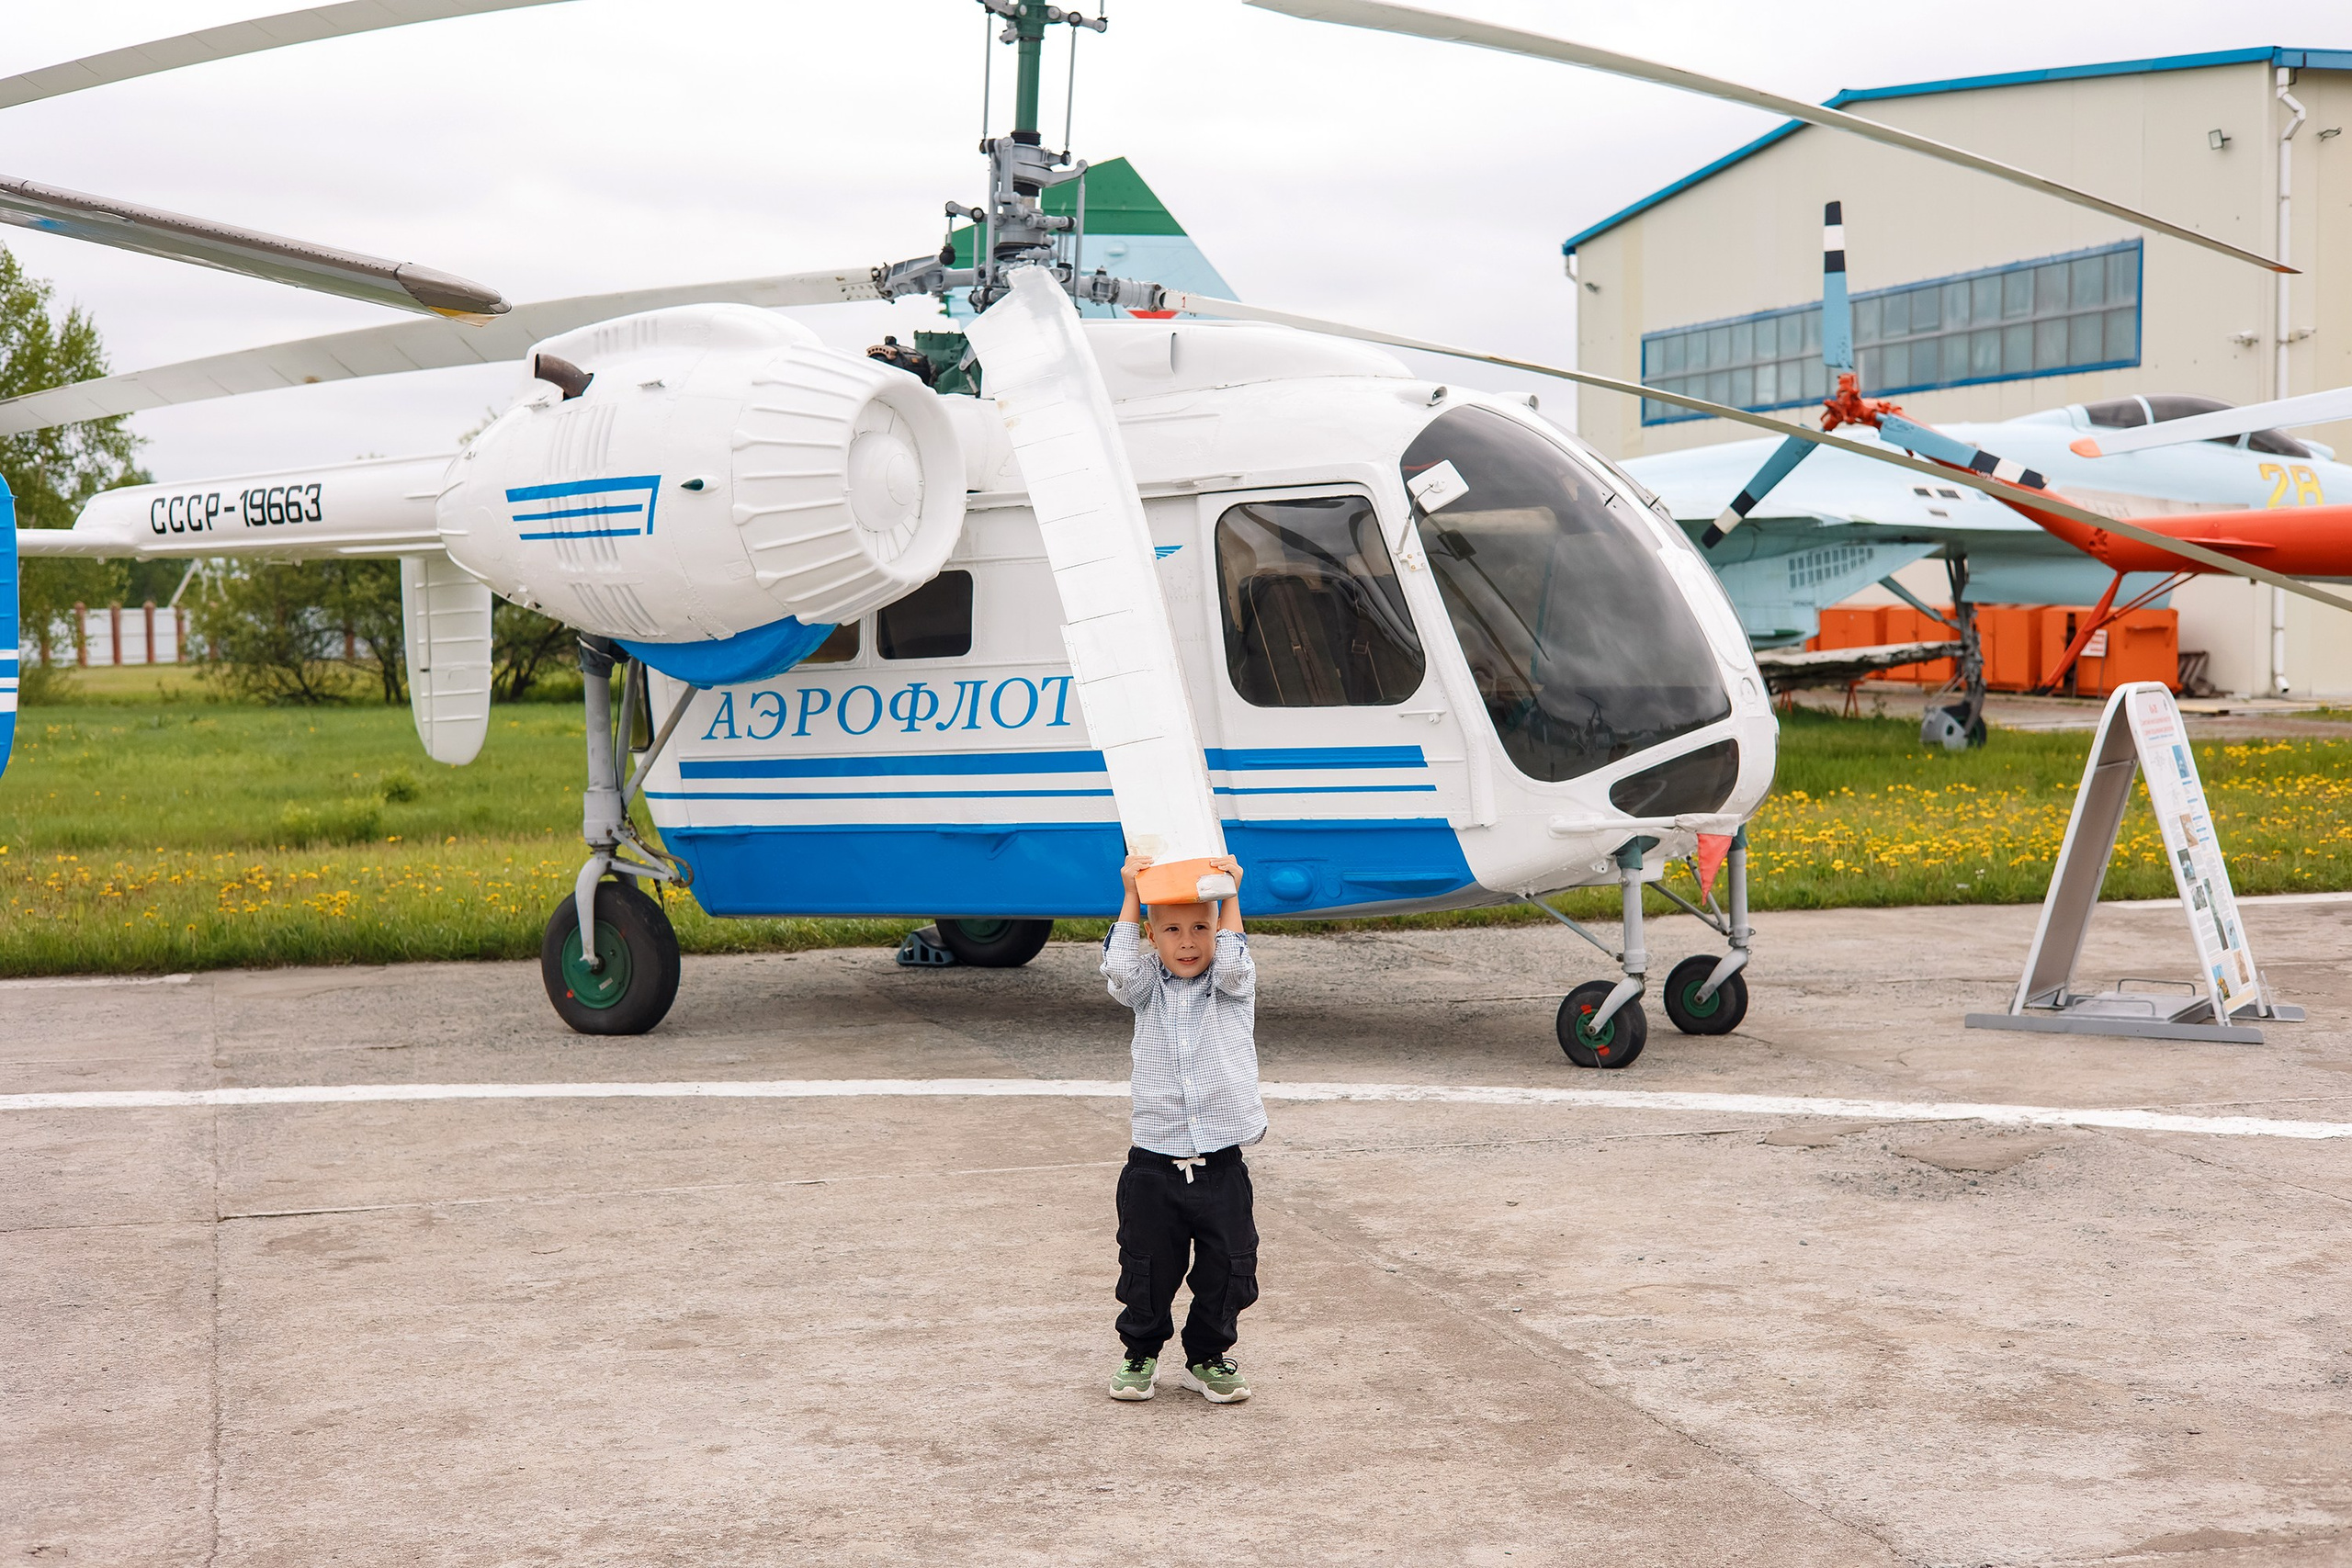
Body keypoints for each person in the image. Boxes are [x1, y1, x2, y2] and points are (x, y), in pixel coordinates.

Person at [1100, 850, 1262, 1404]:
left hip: (1220, 1163)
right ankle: (1139, 1354)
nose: (1188, 942)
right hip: (1153, 1165)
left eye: (1201, 926)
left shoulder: (1230, 984)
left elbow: (1237, 962)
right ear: (1152, 934)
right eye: (1171, 929)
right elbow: (1118, 971)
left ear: (1219, 928)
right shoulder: (1147, 987)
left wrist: (1231, 893)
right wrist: (1130, 892)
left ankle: (1208, 1356)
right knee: (1146, 1268)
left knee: (1230, 1266)